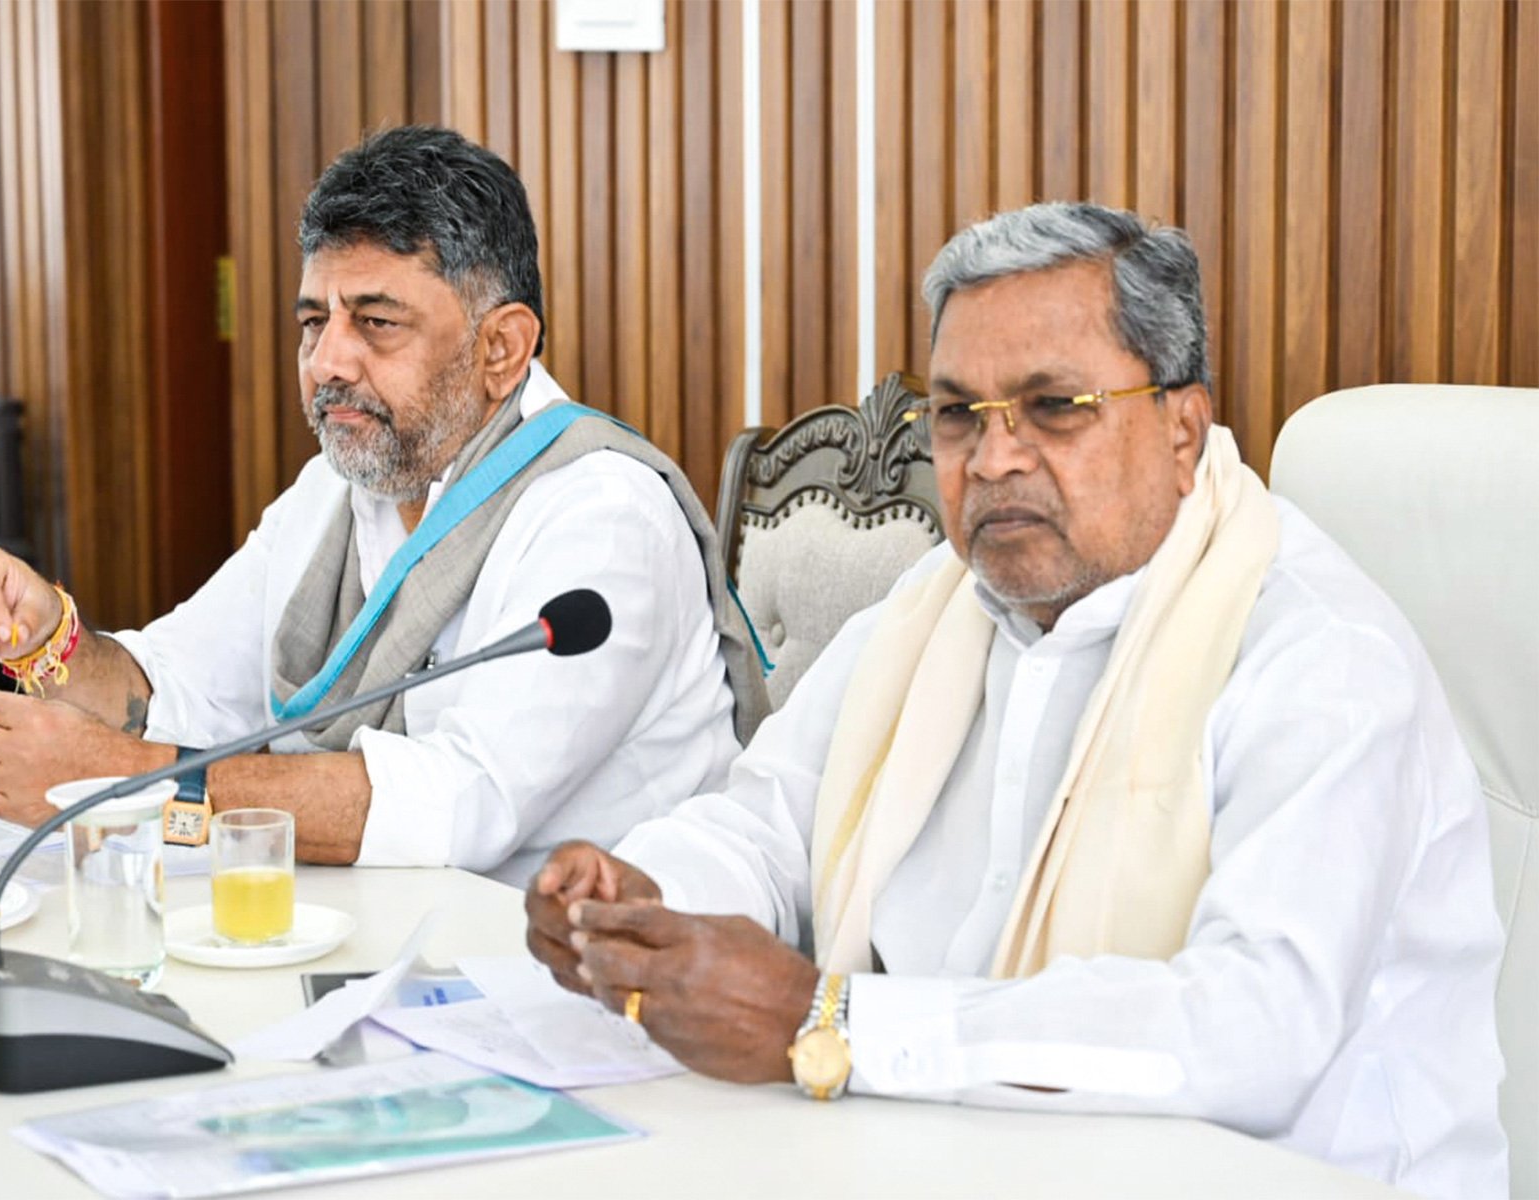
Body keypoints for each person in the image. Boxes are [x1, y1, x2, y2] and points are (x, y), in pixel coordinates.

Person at [525, 202, 1506, 1197]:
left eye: (1053, 407)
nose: (992, 460)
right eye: (958, 414)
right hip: (933, 1158)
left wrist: (831, 1024)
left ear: (1181, 426)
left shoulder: (1317, 657)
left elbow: (1252, 1032)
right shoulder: (931, 611)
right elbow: (768, 823)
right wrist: (642, 897)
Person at [0, 125, 766, 884]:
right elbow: (179, 684)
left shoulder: (602, 516)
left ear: (501, 348)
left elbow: (458, 805)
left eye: (376, 321)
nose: (327, 360)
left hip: (571, 973)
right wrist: (49, 634)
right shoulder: (340, 490)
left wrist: (130, 781)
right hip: (394, 938)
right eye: (314, 321)